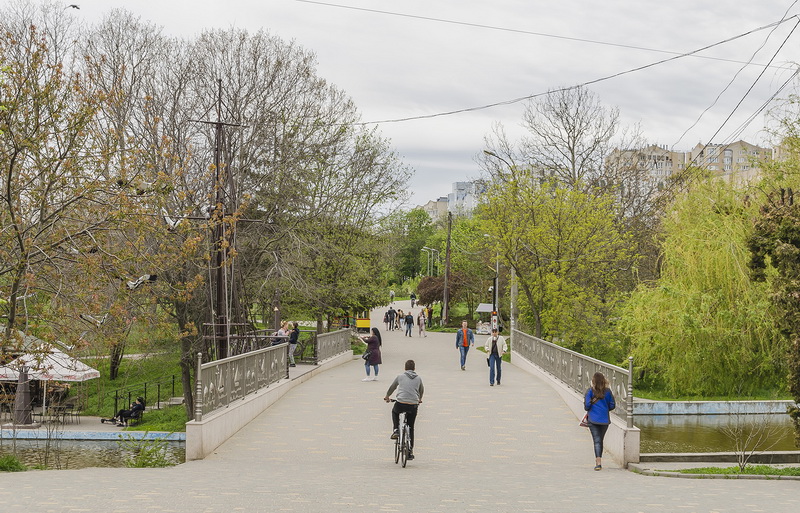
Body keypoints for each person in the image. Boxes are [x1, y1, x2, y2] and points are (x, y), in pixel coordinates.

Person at [384, 359, 424, 461]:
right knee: (411, 427)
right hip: (413, 405)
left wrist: (387, 396)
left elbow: (392, 387)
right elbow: (421, 390)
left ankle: (396, 430)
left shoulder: (400, 377)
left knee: (394, 412)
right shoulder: (418, 378)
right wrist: (419, 399)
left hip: (401, 403)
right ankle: (410, 452)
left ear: (405, 368)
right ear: (414, 369)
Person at [584, 371, 616, 471]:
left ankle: (598, 463)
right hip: (604, 420)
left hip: (593, 420)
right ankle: (599, 462)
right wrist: (604, 409)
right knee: (600, 440)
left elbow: (586, 406)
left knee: (596, 441)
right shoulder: (608, 392)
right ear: (603, 381)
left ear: (593, 381)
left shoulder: (590, 391)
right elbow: (612, 405)